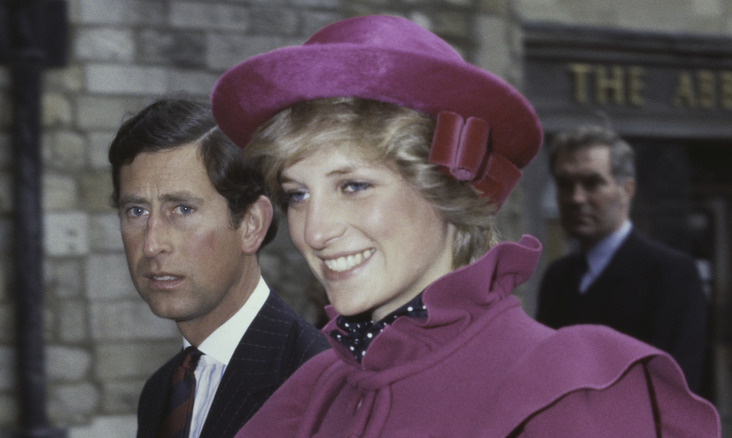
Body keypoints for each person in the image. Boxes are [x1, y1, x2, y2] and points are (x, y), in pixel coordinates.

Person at [210, 15, 720, 437]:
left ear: (447, 192)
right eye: (297, 195)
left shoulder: (567, 390)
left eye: (353, 186)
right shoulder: (310, 395)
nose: (314, 231)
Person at [108, 98, 328, 438]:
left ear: (252, 225)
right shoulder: (159, 392)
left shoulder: (318, 381)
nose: (152, 244)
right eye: (136, 212)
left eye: (182, 210)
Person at [536, 124, 710, 393]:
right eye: (565, 184)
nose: (576, 198)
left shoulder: (671, 274)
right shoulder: (557, 277)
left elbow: (675, 393)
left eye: (592, 183)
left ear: (626, 190)